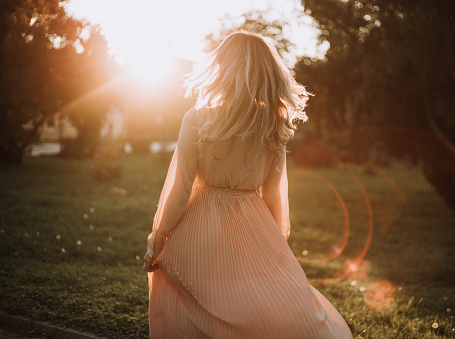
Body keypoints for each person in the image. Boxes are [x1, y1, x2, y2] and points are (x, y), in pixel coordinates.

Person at [143, 31, 353, 339]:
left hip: (199, 223)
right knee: (257, 300)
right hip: (251, 220)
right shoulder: (272, 122)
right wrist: (276, 239)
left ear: (223, 68)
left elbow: (180, 188)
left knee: (182, 288)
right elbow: (274, 194)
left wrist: (158, 240)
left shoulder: (198, 118)